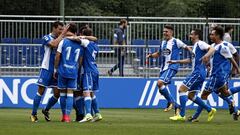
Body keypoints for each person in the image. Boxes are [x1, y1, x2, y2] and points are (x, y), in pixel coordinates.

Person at [188, 26, 240, 122]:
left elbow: (232, 58)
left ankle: (195, 117)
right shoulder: (213, 46)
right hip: (216, 75)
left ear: (218, 35)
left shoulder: (223, 46)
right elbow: (214, 60)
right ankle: (232, 104)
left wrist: (236, 69)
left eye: (212, 34)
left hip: (217, 75)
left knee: (204, 95)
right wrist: (207, 64)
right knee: (225, 93)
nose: (210, 35)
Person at [168, 29, 216, 121]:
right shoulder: (195, 46)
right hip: (200, 73)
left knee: (181, 89)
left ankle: (181, 115)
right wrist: (175, 61)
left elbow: (212, 48)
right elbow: (190, 60)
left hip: (197, 72)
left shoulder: (200, 43)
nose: (190, 36)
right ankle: (210, 110)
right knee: (191, 96)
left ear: (197, 36)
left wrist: (206, 56)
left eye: (191, 34)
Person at [146, 25, 193, 113]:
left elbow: (187, 47)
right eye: (164, 31)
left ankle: (171, 102)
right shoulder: (163, 42)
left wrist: (193, 54)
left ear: (171, 32)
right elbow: (159, 53)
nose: (164, 33)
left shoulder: (176, 41)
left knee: (160, 83)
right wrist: (151, 55)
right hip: (163, 68)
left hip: (172, 67)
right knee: (161, 89)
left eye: (166, 31)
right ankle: (176, 106)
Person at [30, 21, 69, 122]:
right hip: (47, 69)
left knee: (57, 94)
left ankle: (46, 110)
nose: (61, 31)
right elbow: (53, 44)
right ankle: (33, 114)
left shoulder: (62, 39)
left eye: (62, 29)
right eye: (60, 29)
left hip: (57, 70)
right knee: (41, 91)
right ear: (54, 28)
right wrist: (63, 34)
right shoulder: (47, 37)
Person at [54, 23, 85, 122]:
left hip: (63, 70)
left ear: (67, 30)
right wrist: (76, 69)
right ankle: (68, 116)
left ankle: (64, 116)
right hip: (73, 71)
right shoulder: (80, 43)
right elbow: (80, 60)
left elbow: (57, 56)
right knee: (70, 93)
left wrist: (56, 69)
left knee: (62, 93)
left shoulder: (63, 42)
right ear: (76, 32)